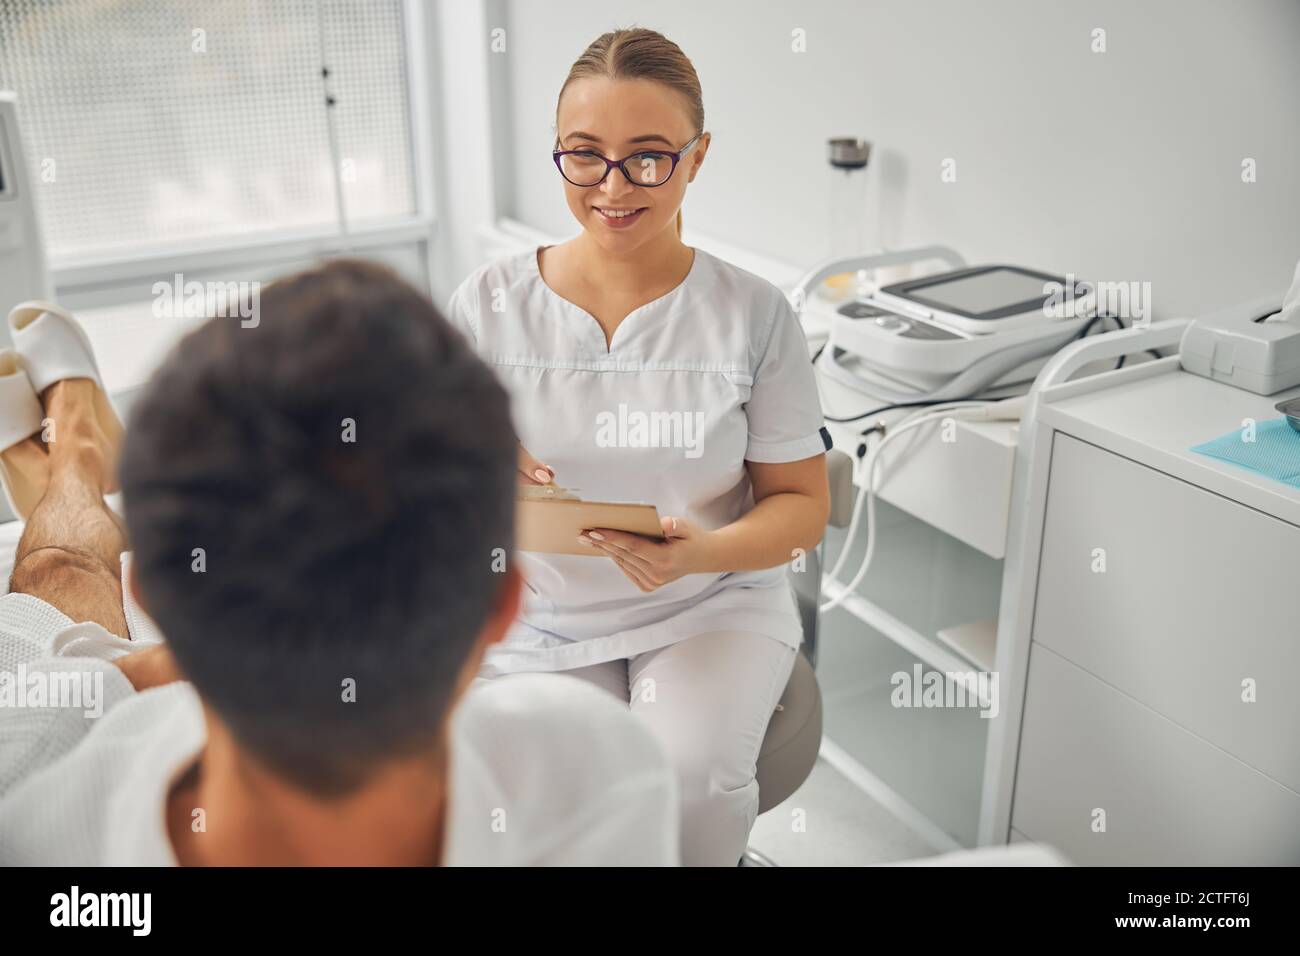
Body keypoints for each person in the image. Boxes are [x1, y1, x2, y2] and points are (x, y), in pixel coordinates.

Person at [0, 260, 677, 866]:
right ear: (503, 604)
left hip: (79, 703)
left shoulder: (33, 820)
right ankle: (77, 456)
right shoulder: (601, 774)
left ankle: (76, 460)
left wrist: (205, 646)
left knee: (56, 579)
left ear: (144, 595)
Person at [446, 28, 830, 866]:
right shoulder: (486, 304)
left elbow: (803, 507)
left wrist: (706, 554)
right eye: (585, 156)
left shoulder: (755, 315)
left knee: (687, 786)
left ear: (697, 158)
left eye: (649, 157)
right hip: (542, 614)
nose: (614, 187)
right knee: (552, 798)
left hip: (710, 603)